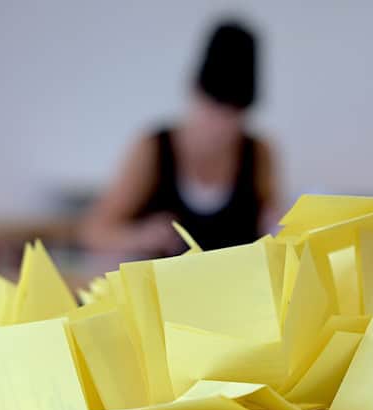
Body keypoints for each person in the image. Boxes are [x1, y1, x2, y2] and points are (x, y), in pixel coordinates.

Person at [81, 20, 279, 256]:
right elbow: (93, 232)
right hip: (161, 291)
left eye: (233, 114)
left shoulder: (258, 153)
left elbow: (274, 226)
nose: (220, 126)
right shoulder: (153, 149)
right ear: (194, 93)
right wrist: (140, 236)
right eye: (213, 108)